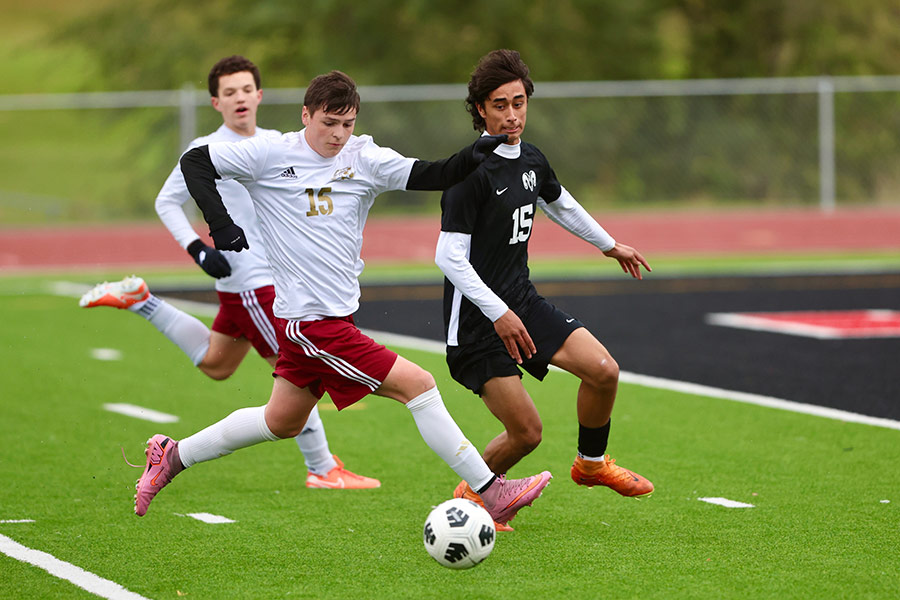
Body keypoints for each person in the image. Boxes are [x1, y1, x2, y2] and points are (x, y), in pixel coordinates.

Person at [132, 69, 552, 527]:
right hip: (314, 325)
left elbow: (433, 174)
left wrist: (476, 153)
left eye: (347, 123)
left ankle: (171, 457)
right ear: (306, 115)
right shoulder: (271, 153)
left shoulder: (363, 156)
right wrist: (219, 224)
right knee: (418, 385)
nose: (338, 134)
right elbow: (195, 161)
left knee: (281, 422)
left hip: (326, 320)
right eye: (328, 123)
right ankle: (491, 491)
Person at [80, 56, 379, 490]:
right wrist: (199, 249)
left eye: (246, 90)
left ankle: (143, 301)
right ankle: (322, 468)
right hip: (253, 281)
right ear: (215, 102)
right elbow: (166, 201)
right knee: (295, 366)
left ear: (259, 96)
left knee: (217, 364)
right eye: (229, 92)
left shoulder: (284, 143)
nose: (239, 98)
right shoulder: (205, 150)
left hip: (266, 281)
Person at [434, 50, 653, 530]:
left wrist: (609, 244)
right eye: (499, 105)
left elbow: (561, 203)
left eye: (518, 102)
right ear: (479, 111)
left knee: (603, 371)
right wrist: (496, 313)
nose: (511, 114)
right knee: (526, 433)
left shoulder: (531, 157)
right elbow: (447, 258)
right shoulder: (467, 173)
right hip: (476, 322)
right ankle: (472, 498)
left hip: (522, 302)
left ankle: (591, 464)